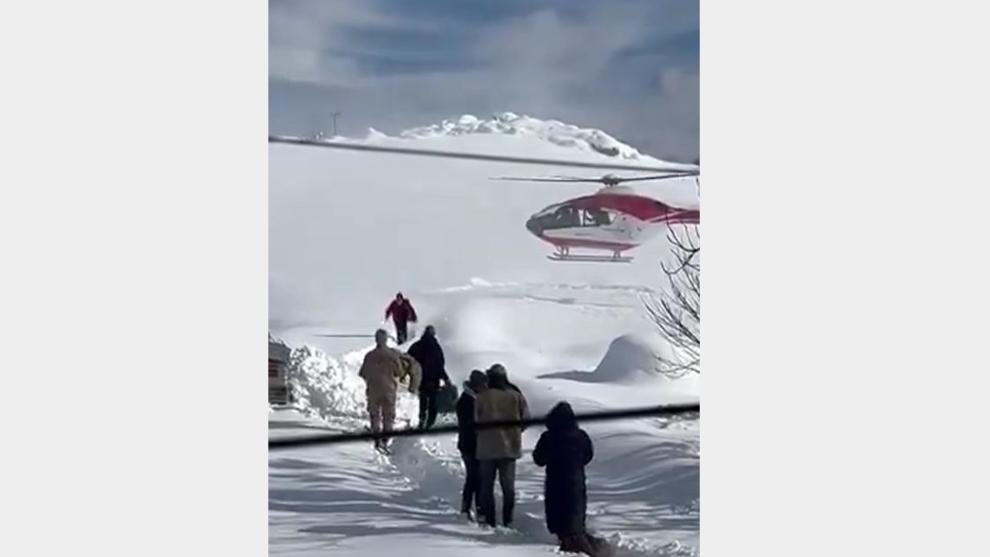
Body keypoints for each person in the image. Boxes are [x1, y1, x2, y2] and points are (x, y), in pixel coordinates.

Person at [533, 401, 608, 556]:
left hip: (555, 482)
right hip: (576, 481)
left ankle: (577, 548)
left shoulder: (548, 437)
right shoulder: (581, 436)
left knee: (560, 518)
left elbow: (539, 459)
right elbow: (588, 455)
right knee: (575, 516)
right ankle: (593, 547)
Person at [475, 364, 529, 528]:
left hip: (486, 448)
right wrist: (516, 432)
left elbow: (475, 421)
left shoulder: (482, 397)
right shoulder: (516, 396)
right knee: (508, 487)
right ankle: (508, 519)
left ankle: (489, 519)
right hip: (509, 448)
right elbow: (526, 419)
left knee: (487, 486)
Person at [358, 329, 420, 451]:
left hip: (373, 390)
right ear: (386, 339)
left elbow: (363, 373)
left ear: (376, 339)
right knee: (388, 415)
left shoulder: (369, 356)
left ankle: (376, 436)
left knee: (375, 414)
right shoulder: (393, 355)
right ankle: (386, 439)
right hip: (389, 389)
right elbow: (399, 372)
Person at [455, 369, 488, 520]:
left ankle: (469, 507)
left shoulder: (471, 399)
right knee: (475, 478)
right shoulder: (466, 401)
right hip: (470, 445)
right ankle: (473, 508)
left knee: (475, 478)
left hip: (473, 444)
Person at [407, 325, 451, 429]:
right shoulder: (436, 347)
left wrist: (410, 374)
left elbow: (408, 359)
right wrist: (445, 378)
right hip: (433, 378)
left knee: (422, 400)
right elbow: (440, 364)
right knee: (432, 400)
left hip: (421, 377)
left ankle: (422, 419)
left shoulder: (417, 345)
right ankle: (430, 421)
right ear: (433, 334)